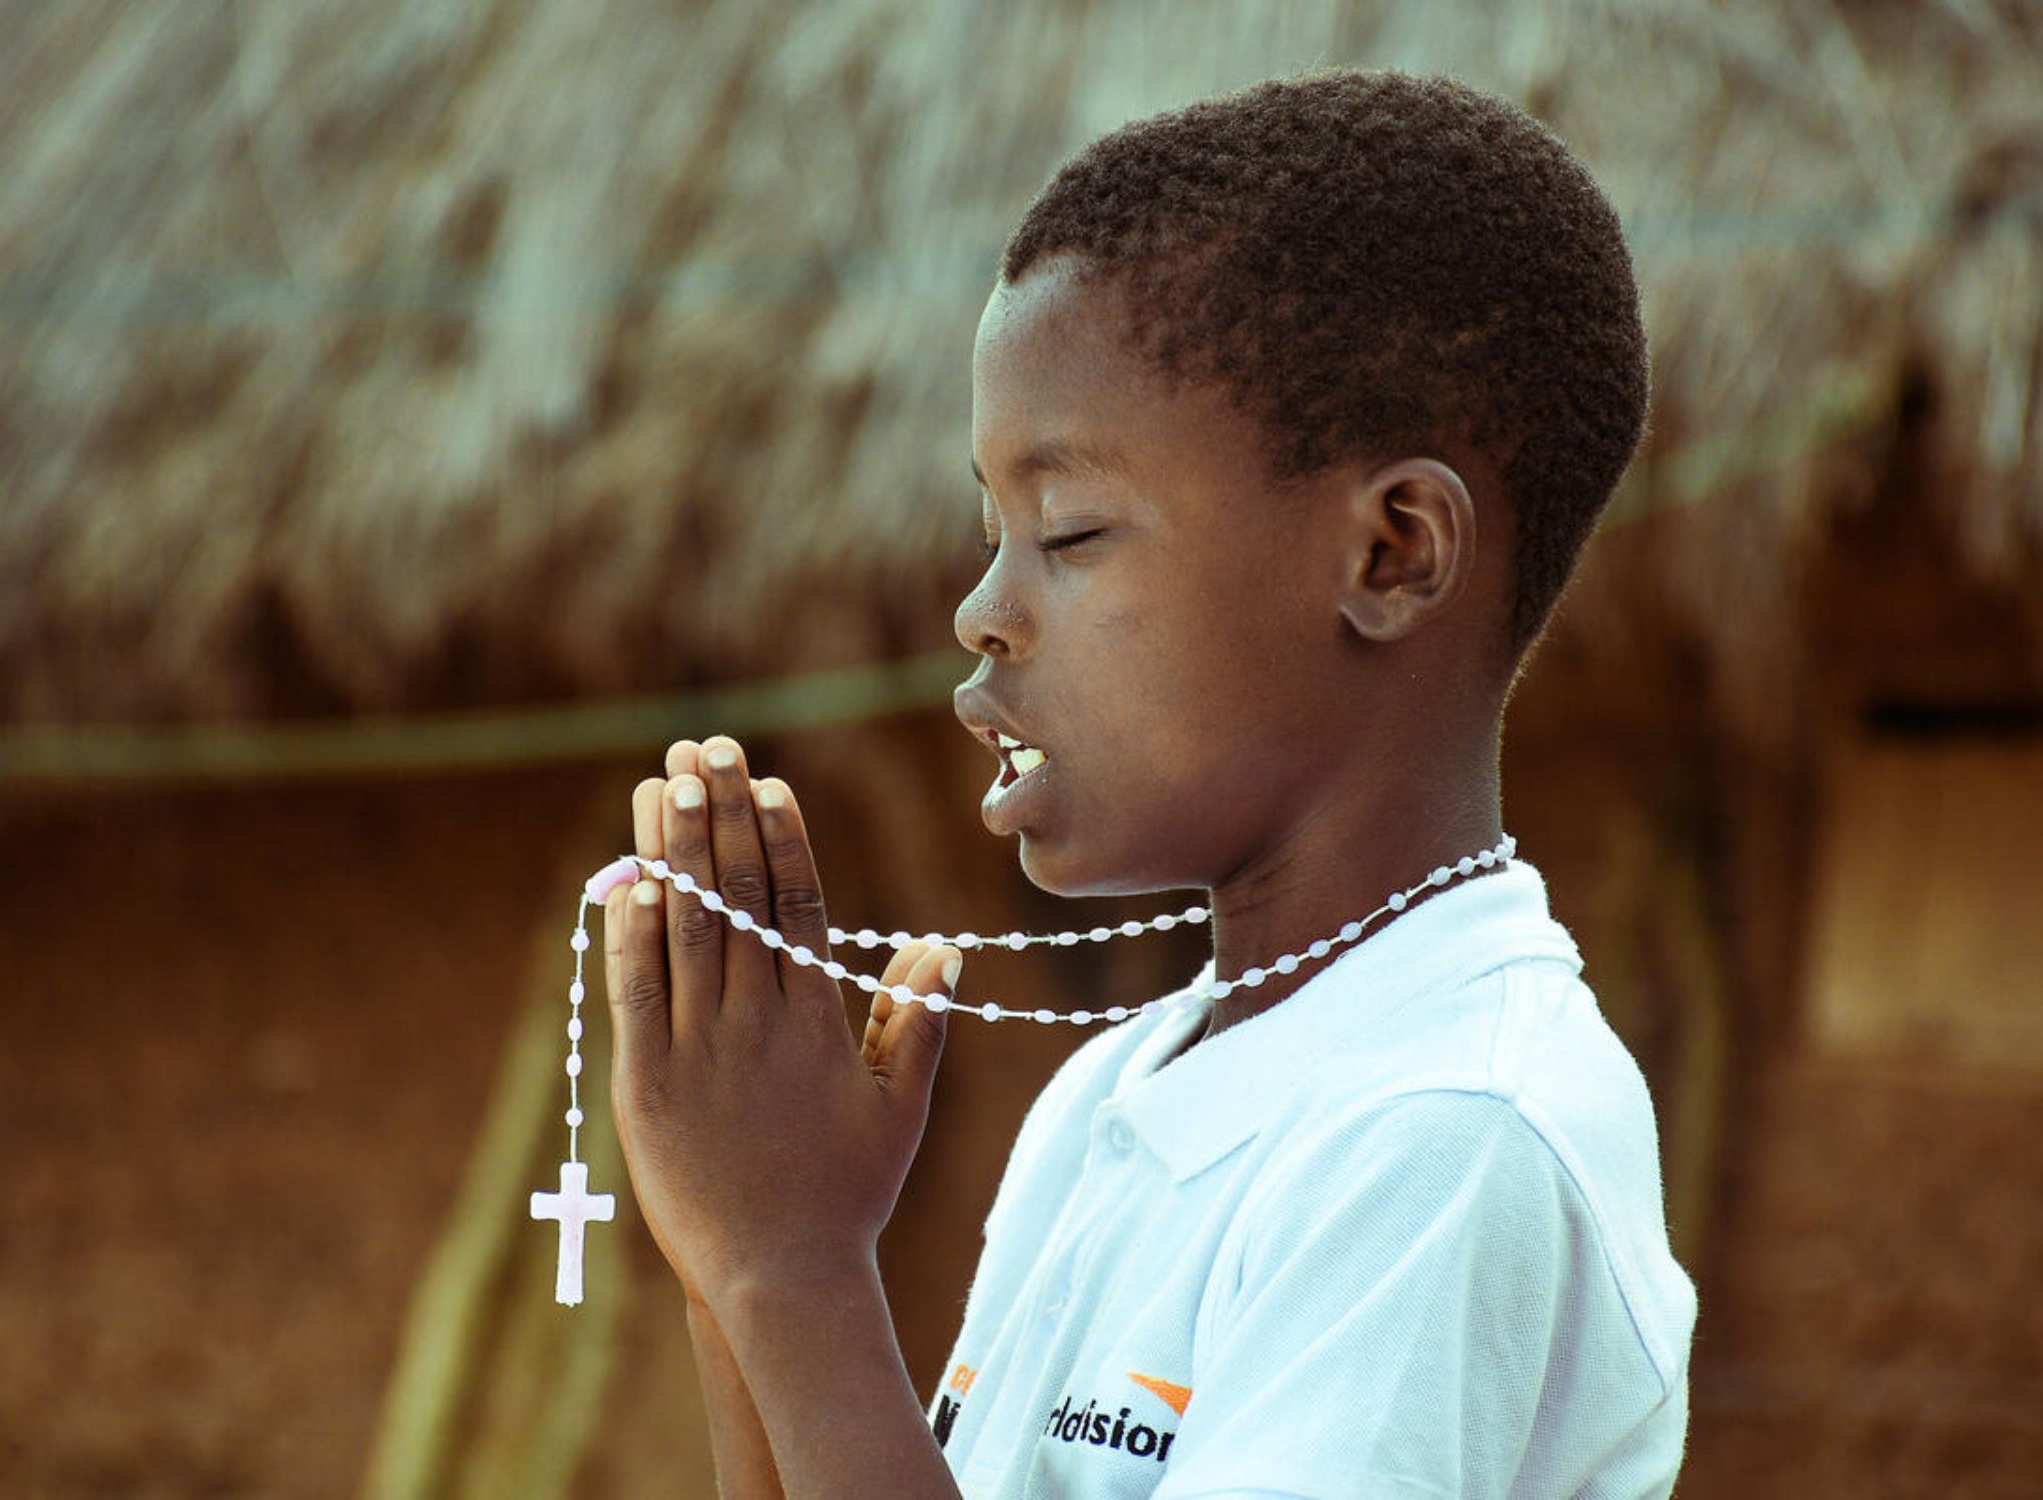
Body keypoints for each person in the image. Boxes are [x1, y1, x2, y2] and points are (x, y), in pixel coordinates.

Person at [600, 70, 1696, 1499]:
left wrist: (792, 1274)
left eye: (1068, 530)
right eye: (989, 527)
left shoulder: (1446, 1140)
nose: (979, 610)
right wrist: (729, 1255)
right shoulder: (1117, 1094)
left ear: (1391, 554)